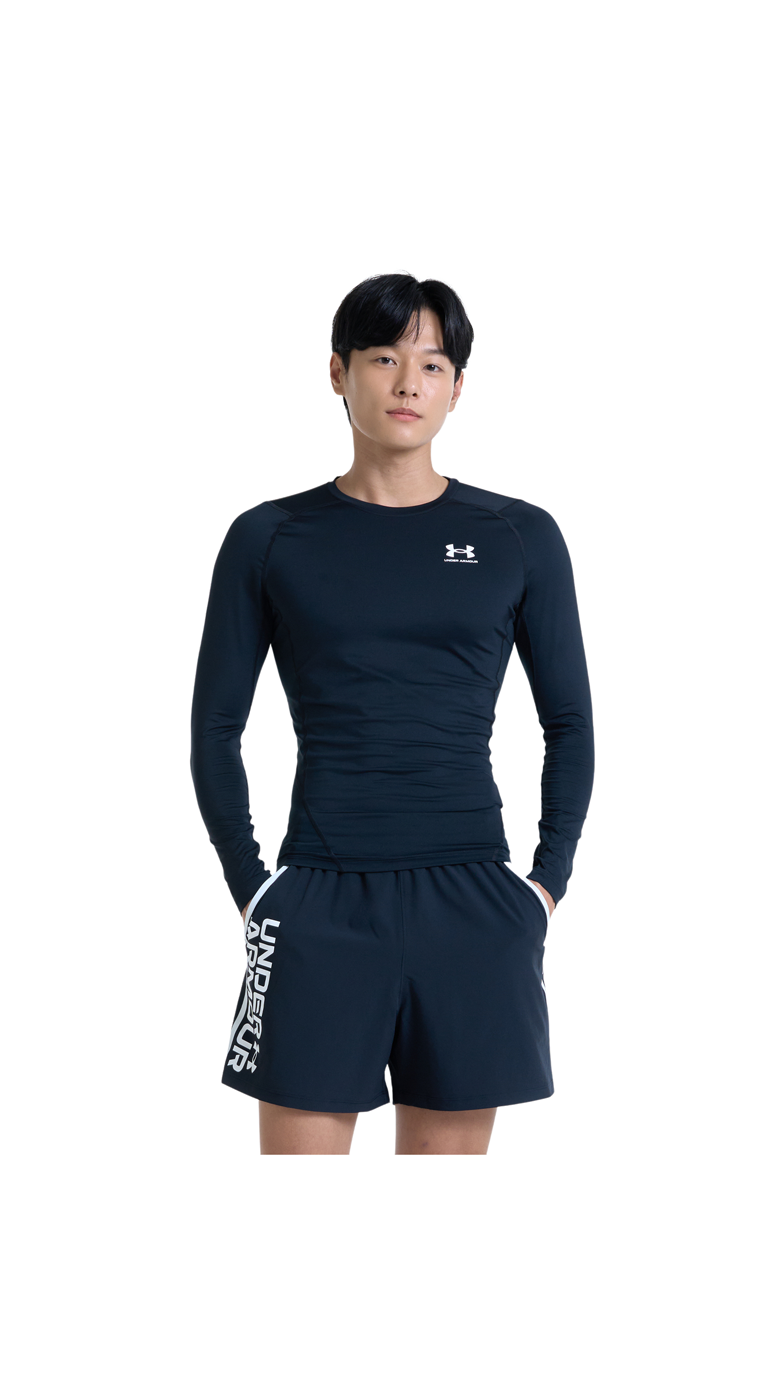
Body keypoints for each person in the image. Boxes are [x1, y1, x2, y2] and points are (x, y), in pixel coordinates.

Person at [190, 273, 594, 1155]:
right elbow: (215, 730)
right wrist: (254, 890)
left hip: (474, 902)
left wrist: (544, 886)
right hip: (319, 901)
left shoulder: (517, 535)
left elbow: (569, 723)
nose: (409, 382)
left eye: (433, 364)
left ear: (458, 387)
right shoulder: (269, 536)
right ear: (338, 372)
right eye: (383, 358)